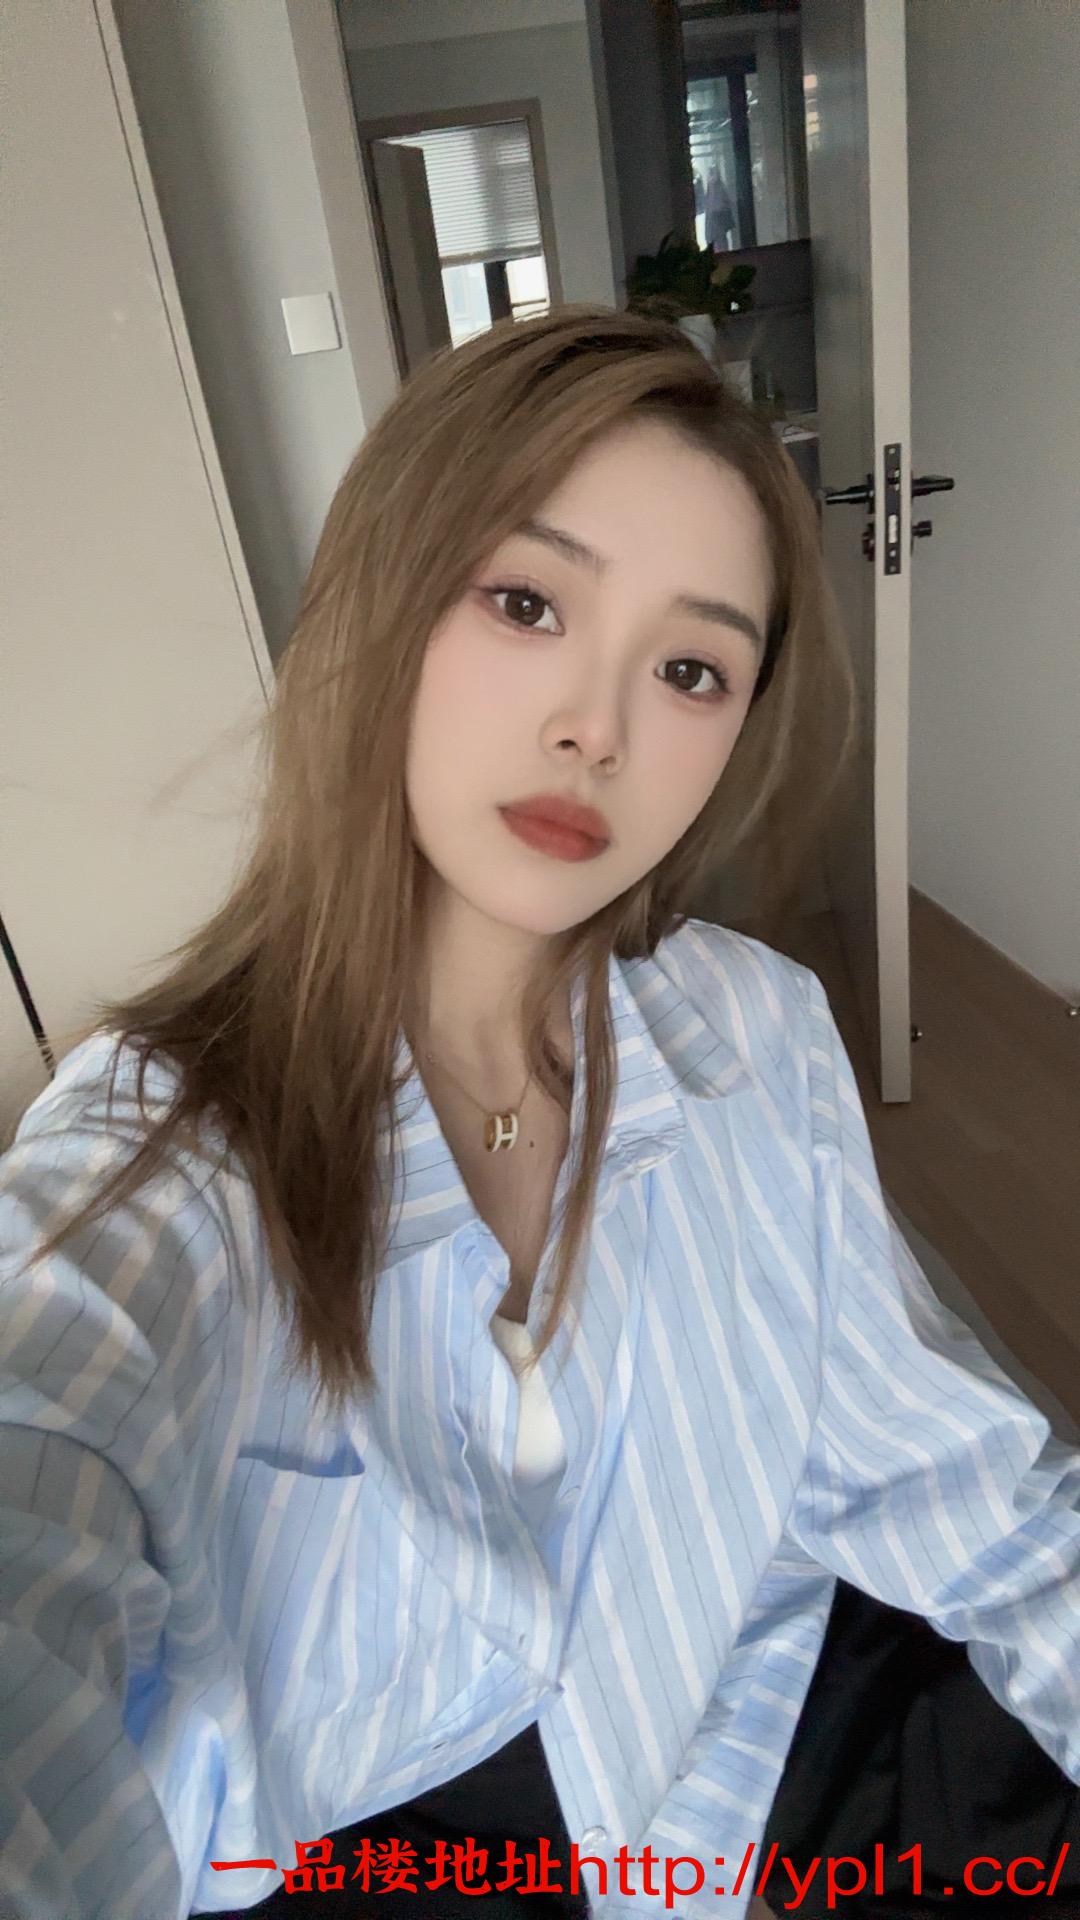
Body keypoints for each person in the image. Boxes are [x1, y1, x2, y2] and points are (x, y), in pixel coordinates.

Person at [0, 308, 1077, 1920]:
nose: (598, 726)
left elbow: (955, 1484)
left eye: (691, 668)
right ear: (384, 603)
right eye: (526, 602)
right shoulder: (159, 1147)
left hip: (764, 1728)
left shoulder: (755, 1032)